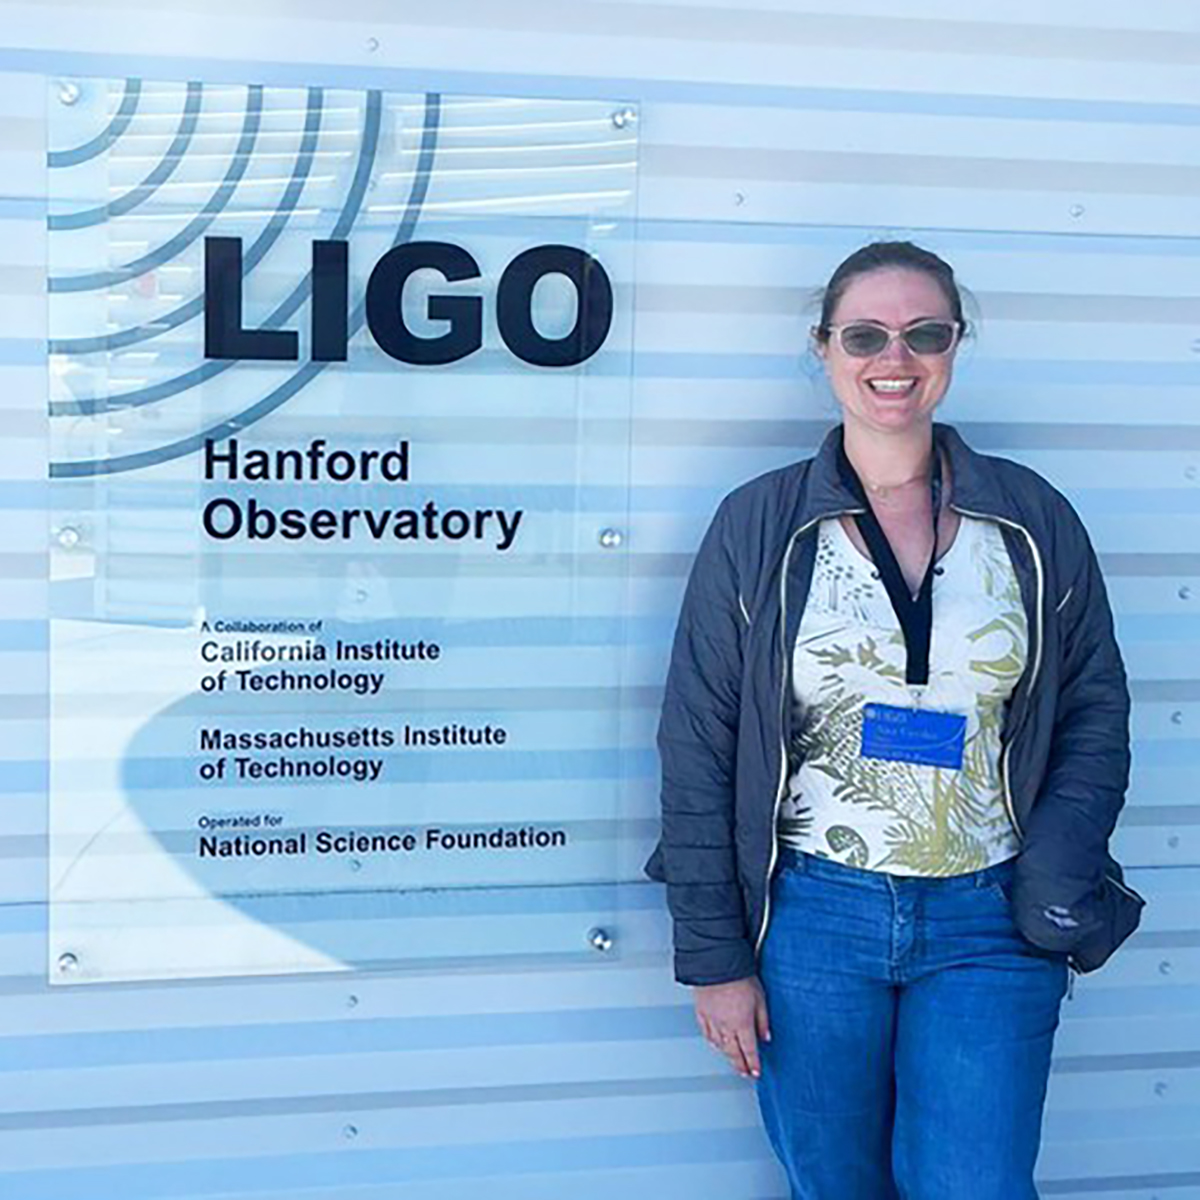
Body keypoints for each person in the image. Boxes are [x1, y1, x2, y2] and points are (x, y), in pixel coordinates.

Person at [646, 241, 1144, 1199]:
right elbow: (698, 745)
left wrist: (1055, 873)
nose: (895, 358)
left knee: (978, 1186)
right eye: (866, 335)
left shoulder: (1031, 519)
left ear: (955, 345)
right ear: (824, 348)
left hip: (988, 919)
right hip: (812, 920)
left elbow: (1094, 711)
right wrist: (714, 958)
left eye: (925, 333)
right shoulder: (758, 524)